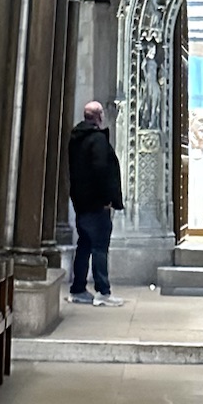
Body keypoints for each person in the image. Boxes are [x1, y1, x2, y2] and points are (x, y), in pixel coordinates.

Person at [67, 100, 124, 306]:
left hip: (81, 202)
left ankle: (78, 289)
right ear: (99, 116)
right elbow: (101, 170)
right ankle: (103, 292)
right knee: (100, 247)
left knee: (84, 245)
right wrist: (107, 199)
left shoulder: (76, 139)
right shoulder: (97, 140)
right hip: (96, 204)